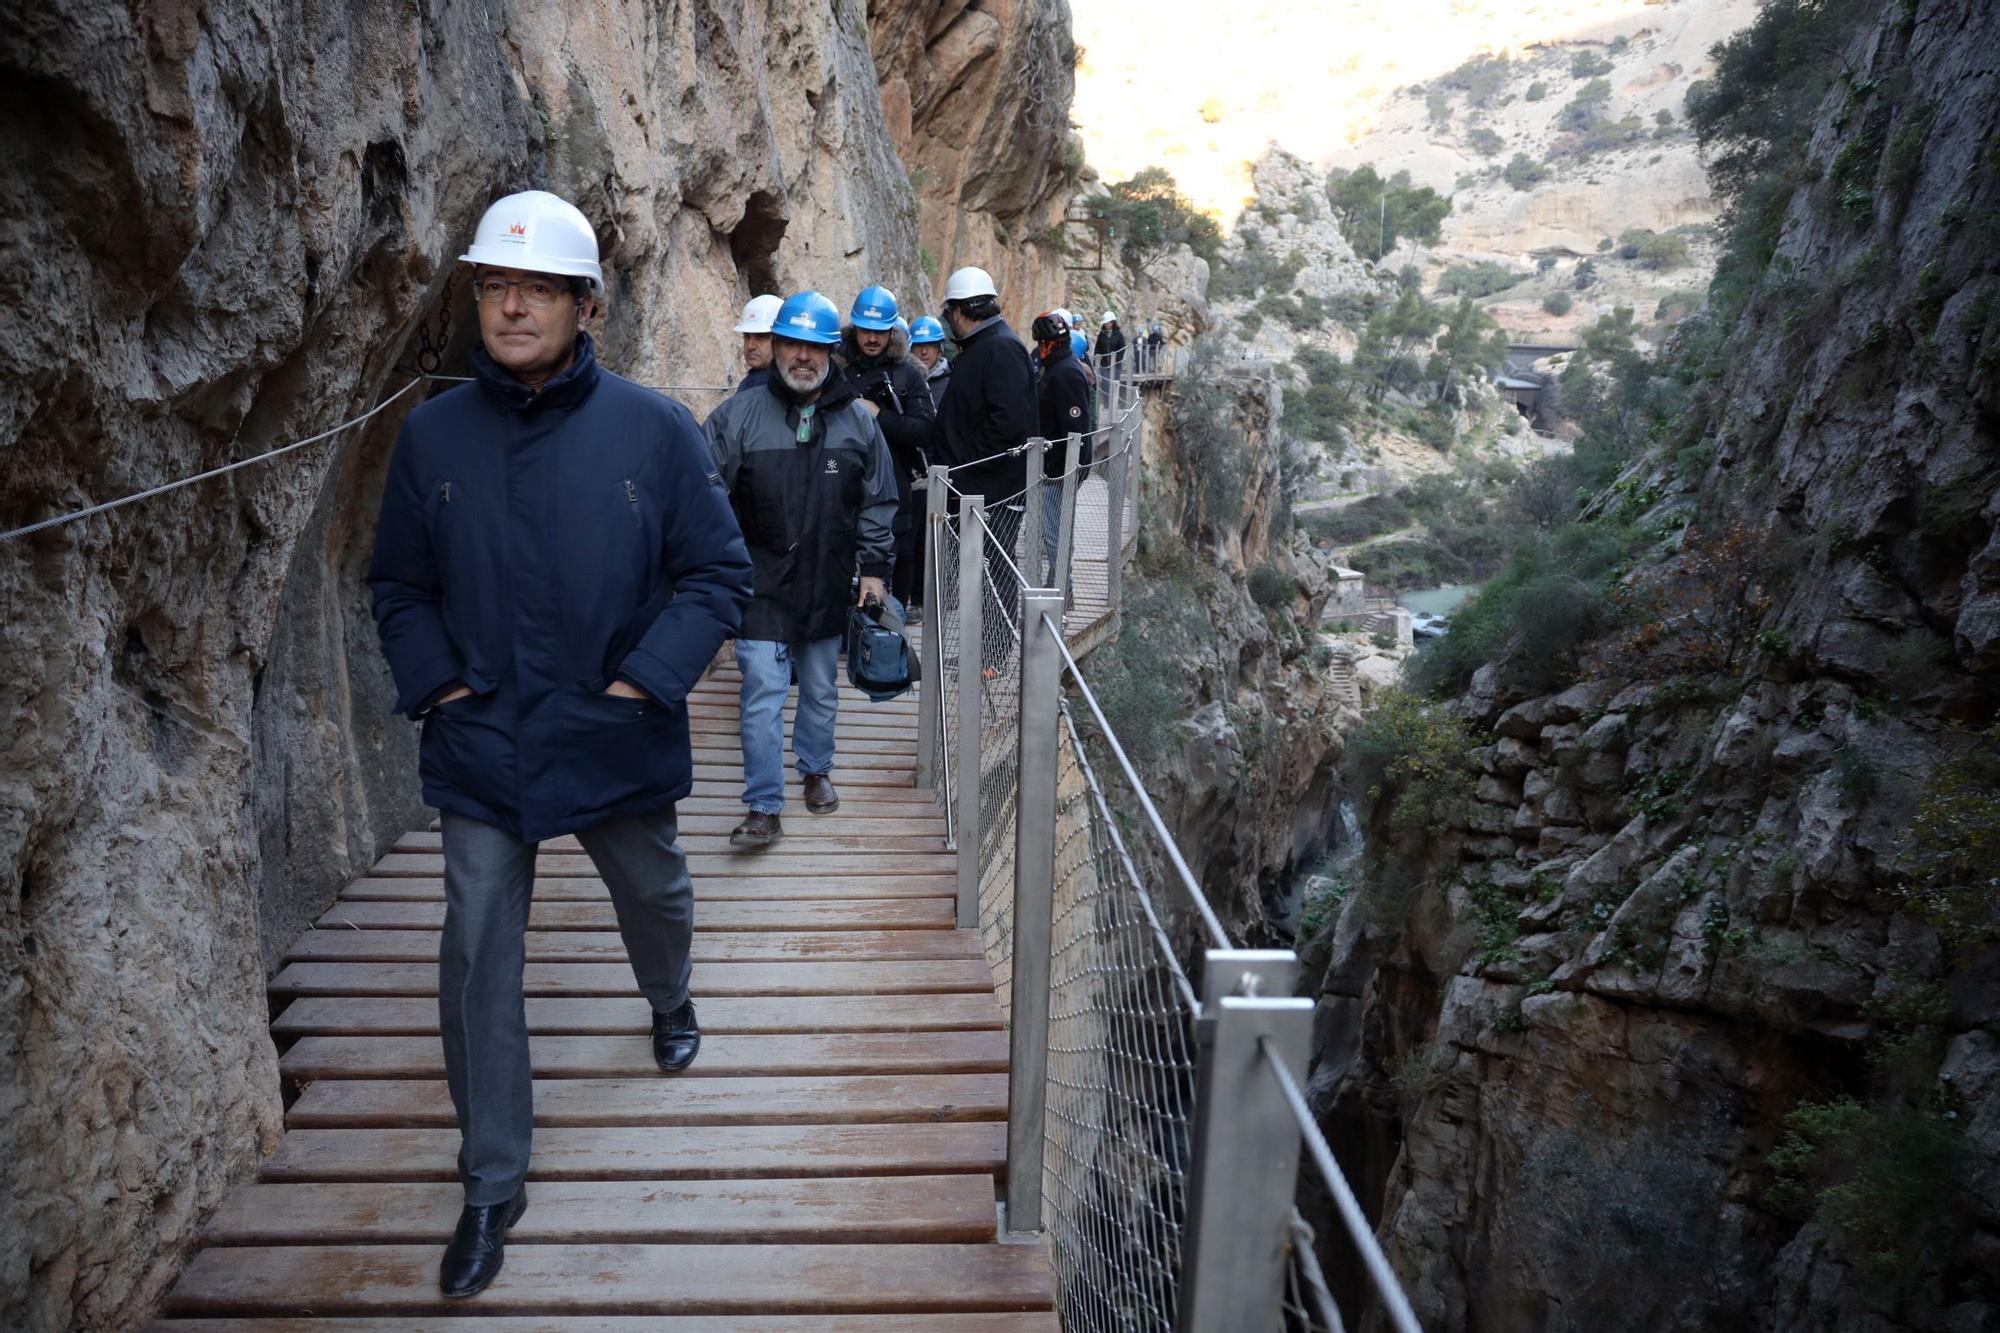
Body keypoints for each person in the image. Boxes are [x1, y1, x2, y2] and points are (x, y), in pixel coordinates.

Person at [368, 189, 752, 1300]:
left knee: (655, 888)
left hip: (611, 727)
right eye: (495, 284)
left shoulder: (653, 429)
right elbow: (398, 580)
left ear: (587, 304)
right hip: (483, 736)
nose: (512, 304)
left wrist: (646, 676)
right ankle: (492, 1178)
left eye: (537, 287)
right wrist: (435, 679)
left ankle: (668, 992)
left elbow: (715, 574)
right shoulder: (432, 435)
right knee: (476, 943)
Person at [706, 291, 899, 847]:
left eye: (815, 347)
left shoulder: (859, 424)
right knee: (763, 689)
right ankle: (764, 804)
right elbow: (702, 491)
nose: (803, 357)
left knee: (819, 688)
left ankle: (815, 769)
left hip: (827, 575)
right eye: (792, 343)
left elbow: (879, 498)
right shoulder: (738, 417)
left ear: (830, 353)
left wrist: (874, 569)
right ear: (776, 345)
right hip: (759, 581)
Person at [931, 265, 1035, 675]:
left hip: (990, 490)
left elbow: (1007, 425)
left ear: (960, 311)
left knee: (993, 572)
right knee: (983, 572)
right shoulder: (987, 346)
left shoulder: (1000, 349)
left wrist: (967, 469)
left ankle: (991, 658)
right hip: (979, 488)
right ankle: (982, 654)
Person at [839, 286, 935, 622]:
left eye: (879, 332)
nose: (872, 339)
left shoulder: (907, 373)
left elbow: (925, 429)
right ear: (854, 329)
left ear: (891, 331)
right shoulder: (837, 368)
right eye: (866, 330)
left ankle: (879, 642)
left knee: (886, 567)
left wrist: (880, 414)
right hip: (840, 482)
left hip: (892, 486)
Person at [1031, 310, 1094, 588]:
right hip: (1056, 464)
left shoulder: (1065, 373)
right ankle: (1057, 584)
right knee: (1055, 528)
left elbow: (1075, 429)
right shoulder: (1059, 368)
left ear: (1047, 344)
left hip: (1059, 468)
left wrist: (1065, 471)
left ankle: (1060, 588)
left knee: (1053, 531)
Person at [732, 293, 782, 394]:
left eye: (761, 337)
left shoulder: (778, 388)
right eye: (747, 336)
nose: (750, 346)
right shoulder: (751, 383)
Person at [909, 314, 951, 405]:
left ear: (940, 349)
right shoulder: (903, 381)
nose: (924, 352)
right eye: (918, 346)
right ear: (911, 349)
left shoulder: (954, 381)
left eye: (930, 345)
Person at [1095, 311, 1127, 382]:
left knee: (1114, 384)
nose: (1107, 324)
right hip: (1104, 365)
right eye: (1105, 323)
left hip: (1116, 365)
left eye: (1108, 322)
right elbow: (1097, 347)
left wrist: (1117, 360)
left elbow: (1122, 348)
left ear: (1113, 322)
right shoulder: (1101, 334)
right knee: (1106, 384)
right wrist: (1097, 358)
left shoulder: (1118, 334)